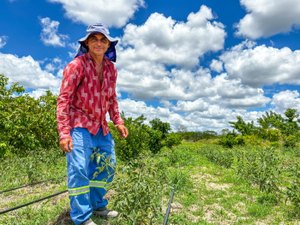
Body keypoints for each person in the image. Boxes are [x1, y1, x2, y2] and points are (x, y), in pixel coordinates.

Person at [56, 23, 128, 225]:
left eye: (103, 39)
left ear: (108, 45)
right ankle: (81, 217)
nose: (98, 43)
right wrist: (64, 133)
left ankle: (97, 205)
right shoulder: (76, 66)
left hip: (101, 126)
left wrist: (118, 121)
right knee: (79, 168)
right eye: (94, 39)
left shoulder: (111, 69)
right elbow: (64, 100)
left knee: (106, 166)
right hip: (78, 123)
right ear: (87, 43)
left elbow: (112, 98)